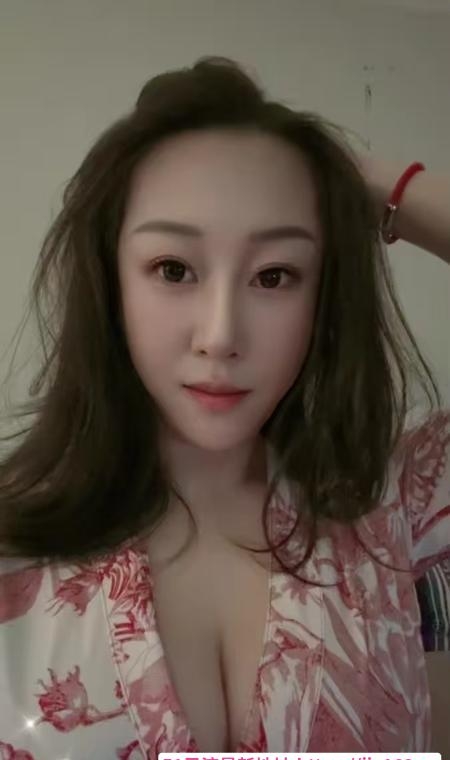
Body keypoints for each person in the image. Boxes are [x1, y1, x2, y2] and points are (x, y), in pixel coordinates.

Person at [0, 56, 448, 759]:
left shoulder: (394, 510)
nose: (220, 336)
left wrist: (367, 186)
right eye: (173, 269)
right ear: (110, 284)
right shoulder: (14, 551)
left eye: (275, 275)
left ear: (322, 299)